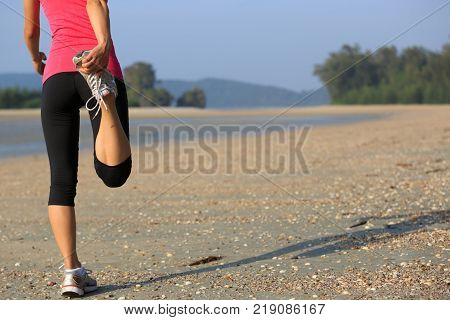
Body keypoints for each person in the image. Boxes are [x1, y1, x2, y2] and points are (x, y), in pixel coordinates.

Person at [23, 0, 132, 297]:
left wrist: (35, 60)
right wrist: (103, 45)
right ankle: (105, 102)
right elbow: (95, 2)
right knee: (114, 175)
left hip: (57, 73)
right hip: (96, 64)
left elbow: (31, 31)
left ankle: (72, 273)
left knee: (60, 180)